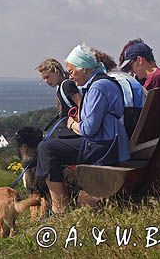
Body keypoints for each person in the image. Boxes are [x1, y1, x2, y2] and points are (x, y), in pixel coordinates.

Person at [35, 44, 130, 214]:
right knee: (53, 144)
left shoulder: (97, 88)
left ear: (84, 70)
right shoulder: (104, 82)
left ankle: (59, 208)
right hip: (112, 141)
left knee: (46, 148)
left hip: (104, 145)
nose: (70, 76)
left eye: (72, 71)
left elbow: (88, 129)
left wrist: (72, 124)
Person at [94, 49, 146, 136]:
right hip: (142, 134)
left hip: (121, 138)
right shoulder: (129, 79)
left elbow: (92, 124)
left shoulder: (104, 84)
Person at [35, 59, 81, 137]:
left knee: (45, 147)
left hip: (74, 131)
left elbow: (81, 105)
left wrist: (77, 123)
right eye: (44, 79)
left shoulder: (67, 85)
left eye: (48, 77)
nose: (46, 81)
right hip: (68, 130)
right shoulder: (60, 87)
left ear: (57, 72)